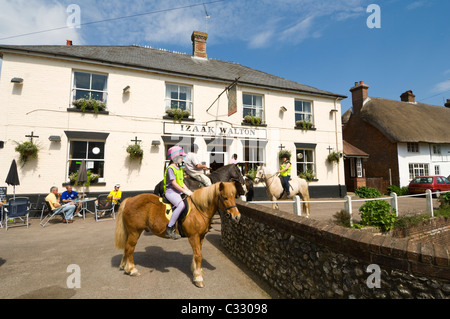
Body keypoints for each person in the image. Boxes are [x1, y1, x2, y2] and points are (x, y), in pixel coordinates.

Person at [163, 146, 193, 239]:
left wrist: (189, 191)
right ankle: (169, 228)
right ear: (175, 157)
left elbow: (181, 182)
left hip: (178, 192)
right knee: (181, 206)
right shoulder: (171, 168)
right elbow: (174, 183)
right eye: (181, 157)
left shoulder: (179, 168)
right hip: (171, 192)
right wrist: (184, 191)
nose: (182, 158)